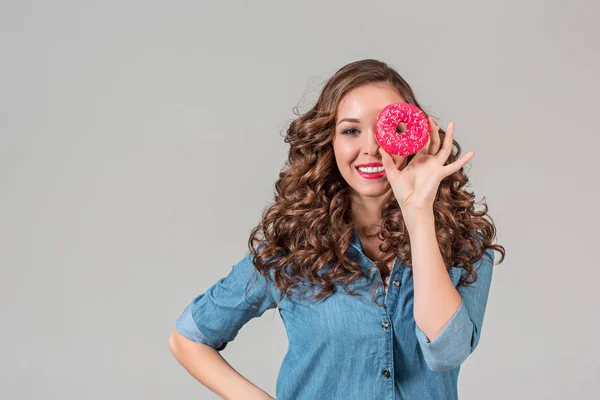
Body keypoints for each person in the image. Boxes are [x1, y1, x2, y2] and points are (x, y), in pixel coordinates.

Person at [168, 59, 506, 400]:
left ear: (415, 135)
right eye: (351, 130)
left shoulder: (464, 244)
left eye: (388, 128)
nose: (372, 147)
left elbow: (446, 353)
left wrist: (418, 212)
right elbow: (188, 338)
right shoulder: (292, 248)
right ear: (328, 141)